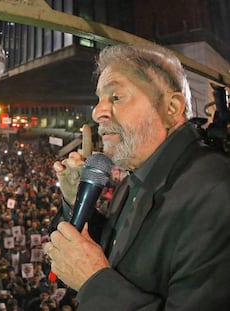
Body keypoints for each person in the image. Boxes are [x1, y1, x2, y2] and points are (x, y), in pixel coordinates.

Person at [45, 43, 230, 310]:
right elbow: (112, 254)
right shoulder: (134, 179)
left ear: (171, 107)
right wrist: (77, 205)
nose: (98, 112)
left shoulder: (216, 192)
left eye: (116, 97)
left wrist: (94, 283)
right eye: (99, 99)